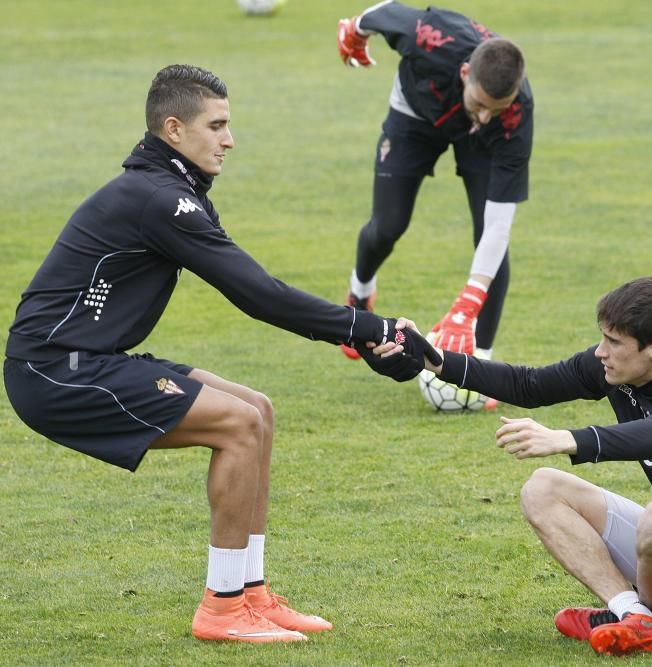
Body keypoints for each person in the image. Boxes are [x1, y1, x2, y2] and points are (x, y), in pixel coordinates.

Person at [3, 64, 437, 643]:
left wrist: (361, 332)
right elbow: (260, 296)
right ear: (175, 129)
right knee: (236, 425)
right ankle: (222, 606)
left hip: (89, 359)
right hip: (53, 370)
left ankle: (250, 593)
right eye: (218, 125)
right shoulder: (159, 198)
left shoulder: (173, 192)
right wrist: (370, 327)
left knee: (256, 408)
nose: (229, 139)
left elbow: (260, 289)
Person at [387, 277, 652, 656]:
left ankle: (648, 619)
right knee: (542, 488)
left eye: (614, 341)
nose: (601, 351)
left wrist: (569, 438)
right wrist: (436, 360)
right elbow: (530, 385)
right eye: (602, 337)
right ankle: (632, 613)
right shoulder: (615, 369)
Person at [336, 0, 533, 372]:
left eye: (499, 107)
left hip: (481, 142)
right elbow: (385, 11)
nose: (488, 113)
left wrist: (467, 305)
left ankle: (484, 361)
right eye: (481, 102)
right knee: (388, 225)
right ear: (464, 73)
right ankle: (360, 295)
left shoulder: (514, 116)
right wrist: (356, 32)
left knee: (487, 240)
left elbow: (498, 225)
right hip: (415, 113)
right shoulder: (431, 37)